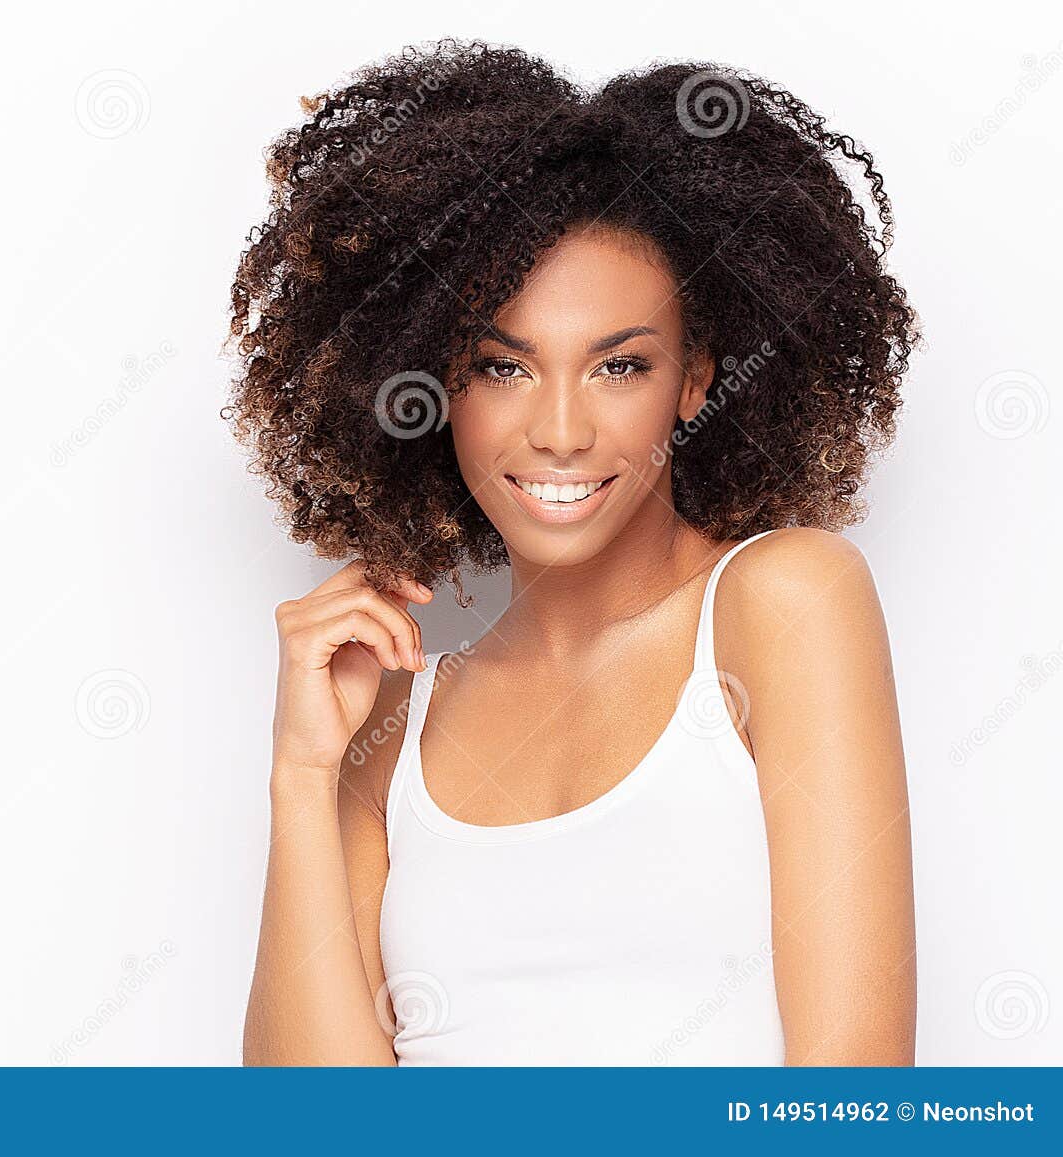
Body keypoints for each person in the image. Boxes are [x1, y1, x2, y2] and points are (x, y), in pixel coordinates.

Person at [225, 40, 920, 1065]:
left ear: (694, 383)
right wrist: (301, 769)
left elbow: (854, 1100)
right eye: (501, 366)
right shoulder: (392, 714)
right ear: (437, 387)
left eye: (619, 365)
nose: (558, 429)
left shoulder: (782, 603)